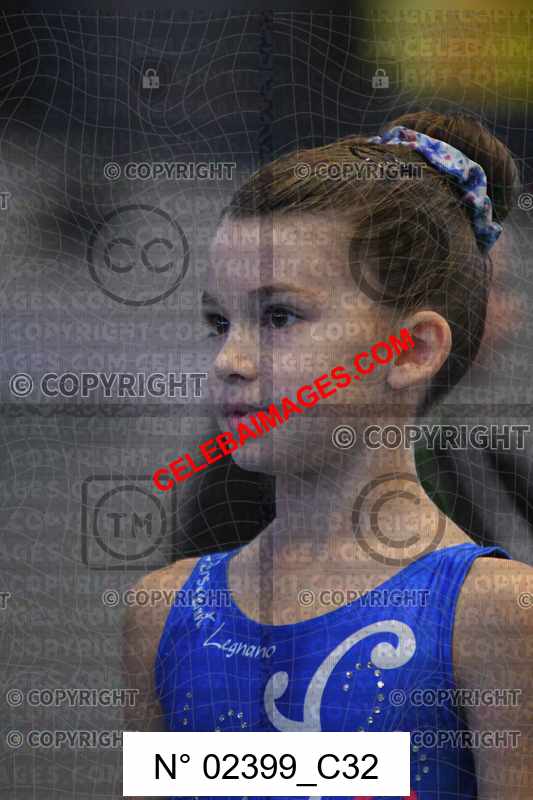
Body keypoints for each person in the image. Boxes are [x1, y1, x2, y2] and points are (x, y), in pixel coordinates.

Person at [123, 111, 533, 800]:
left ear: (410, 349)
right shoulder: (161, 613)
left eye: (279, 316)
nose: (229, 359)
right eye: (219, 322)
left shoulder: (498, 616)